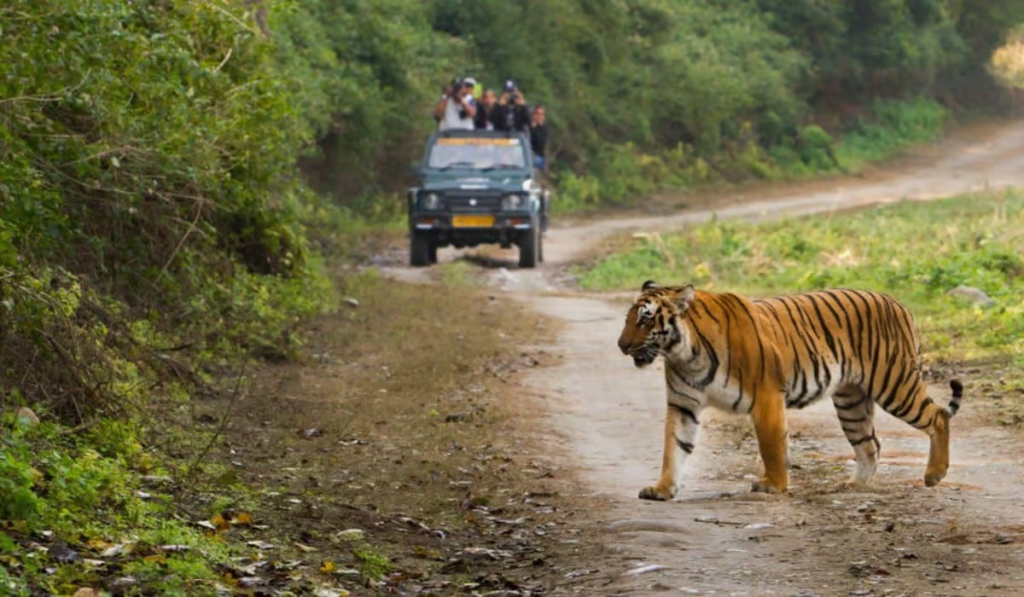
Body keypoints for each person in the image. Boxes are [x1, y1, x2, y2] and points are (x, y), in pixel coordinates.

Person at [529, 103, 548, 171]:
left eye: (541, 115)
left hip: (538, 156)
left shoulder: (543, 128)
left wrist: (536, 128)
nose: (539, 117)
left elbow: (540, 144)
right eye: (537, 114)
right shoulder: (529, 127)